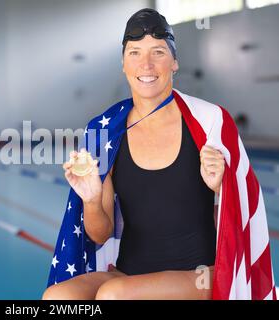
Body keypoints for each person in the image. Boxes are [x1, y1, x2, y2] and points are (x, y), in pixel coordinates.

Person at [42, 8, 276, 300]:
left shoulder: (209, 122)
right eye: (135, 53)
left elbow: (241, 216)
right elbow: (100, 234)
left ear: (175, 62)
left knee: (114, 295)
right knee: (58, 299)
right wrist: (90, 200)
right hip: (128, 272)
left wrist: (222, 186)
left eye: (158, 52)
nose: (146, 65)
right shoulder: (106, 133)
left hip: (201, 275)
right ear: (123, 64)